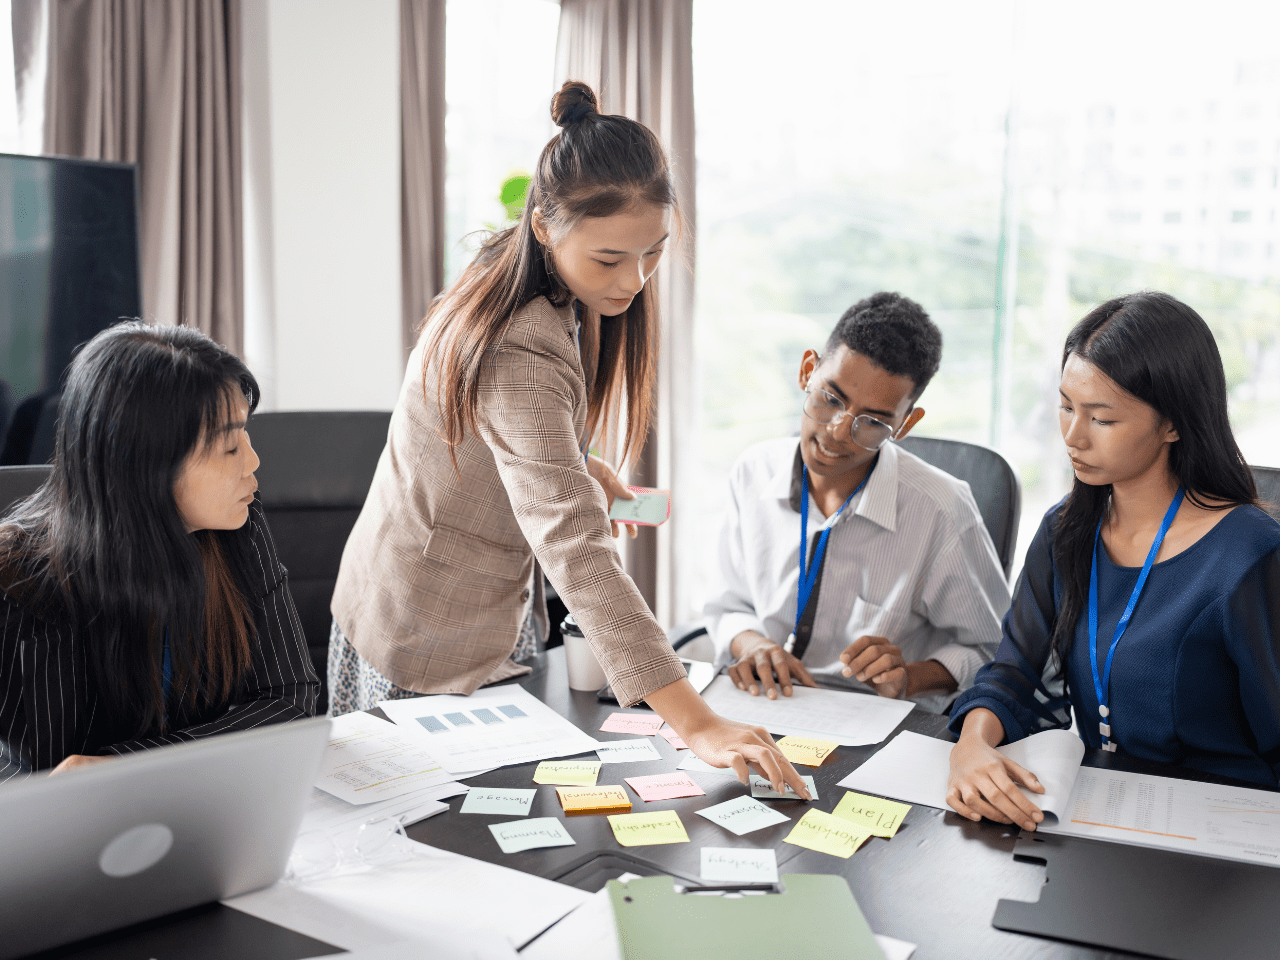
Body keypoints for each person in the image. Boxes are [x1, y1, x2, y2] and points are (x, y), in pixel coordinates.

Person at [330, 81, 807, 796]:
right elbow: (575, 544)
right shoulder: (520, 340)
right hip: (426, 629)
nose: (636, 281)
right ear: (547, 226)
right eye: (612, 259)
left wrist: (576, 462)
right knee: (427, 842)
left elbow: (503, 425)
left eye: (653, 254)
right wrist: (697, 723)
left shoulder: (515, 266)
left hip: (464, 600)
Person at [946, 291, 1280, 832]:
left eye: (1100, 418)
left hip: (1226, 837)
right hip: (1101, 813)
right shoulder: (1066, 531)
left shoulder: (1249, 555)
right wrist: (971, 746)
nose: (1073, 436)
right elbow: (1012, 671)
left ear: (1173, 424)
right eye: (1066, 406)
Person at [0, 322, 318, 779]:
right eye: (229, 447)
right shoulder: (12, 580)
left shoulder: (235, 522)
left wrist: (129, 767)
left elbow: (291, 702)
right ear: (146, 468)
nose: (253, 462)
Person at [704, 292, 1009, 714]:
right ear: (808, 371)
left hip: (874, 723)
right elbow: (727, 604)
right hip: (764, 704)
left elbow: (993, 648)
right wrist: (751, 643)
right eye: (830, 398)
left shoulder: (941, 509)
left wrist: (910, 677)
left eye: (873, 421)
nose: (837, 432)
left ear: (904, 425)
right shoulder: (752, 471)